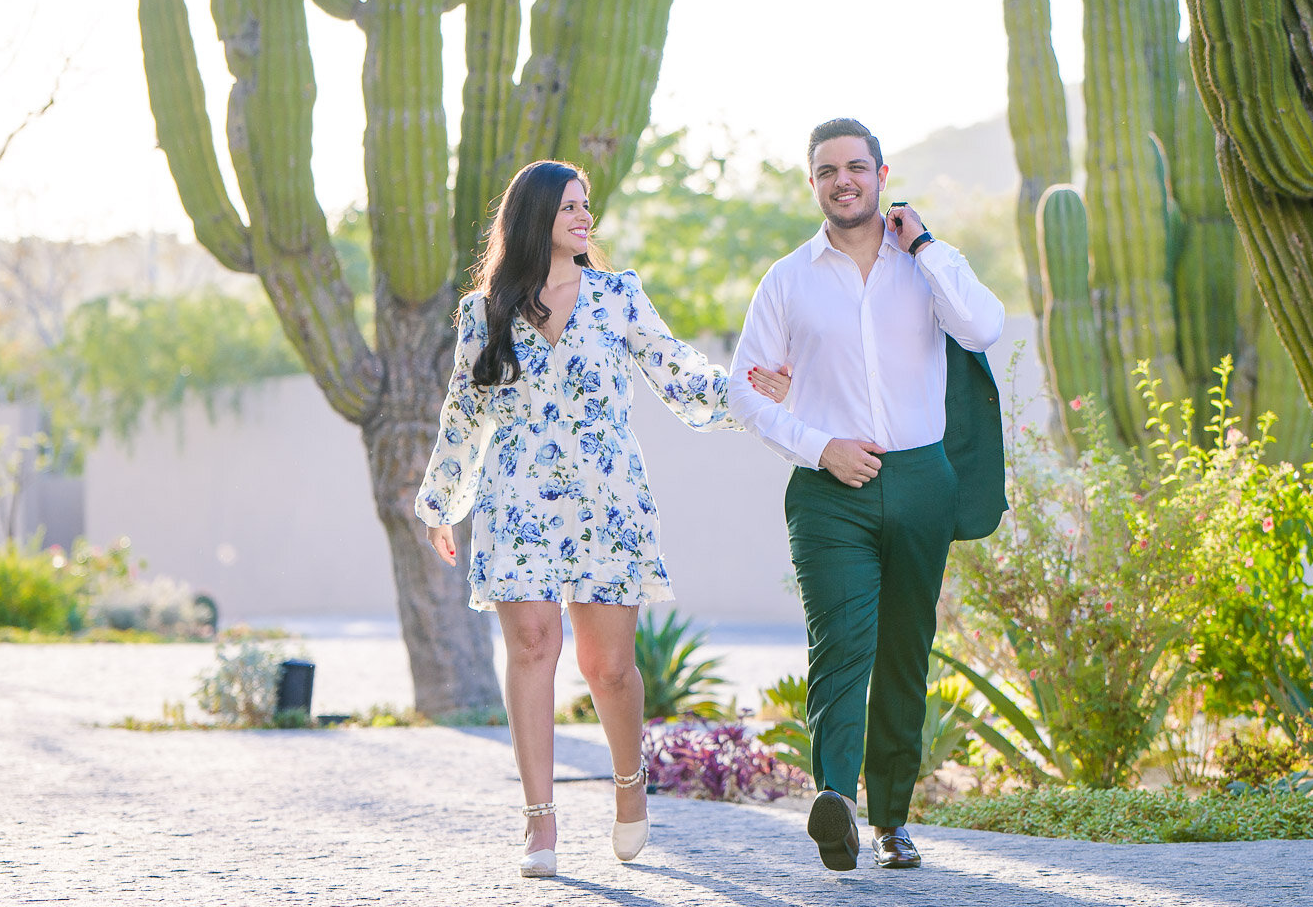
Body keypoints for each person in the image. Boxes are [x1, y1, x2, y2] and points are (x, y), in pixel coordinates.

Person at [415, 160, 787, 880]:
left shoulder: (619, 296)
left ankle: (629, 787)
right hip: (515, 496)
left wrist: (754, 393)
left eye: (587, 207)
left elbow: (679, 374)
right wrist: (442, 501)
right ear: (534, 219)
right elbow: (463, 412)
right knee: (530, 645)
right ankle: (539, 822)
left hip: (606, 499)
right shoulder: (483, 311)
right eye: (569, 208)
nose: (585, 218)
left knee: (607, 667)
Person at [729, 118, 1006, 871]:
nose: (843, 180)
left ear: (882, 176)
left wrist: (924, 245)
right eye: (827, 170)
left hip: (923, 481)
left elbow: (983, 326)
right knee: (841, 644)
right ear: (813, 184)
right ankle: (836, 803)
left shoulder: (926, 266)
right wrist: (823, 446)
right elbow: (745, 393)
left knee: (905, 653)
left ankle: (892, 819)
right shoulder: (788, 278)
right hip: (828, 490)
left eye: (856, 167)